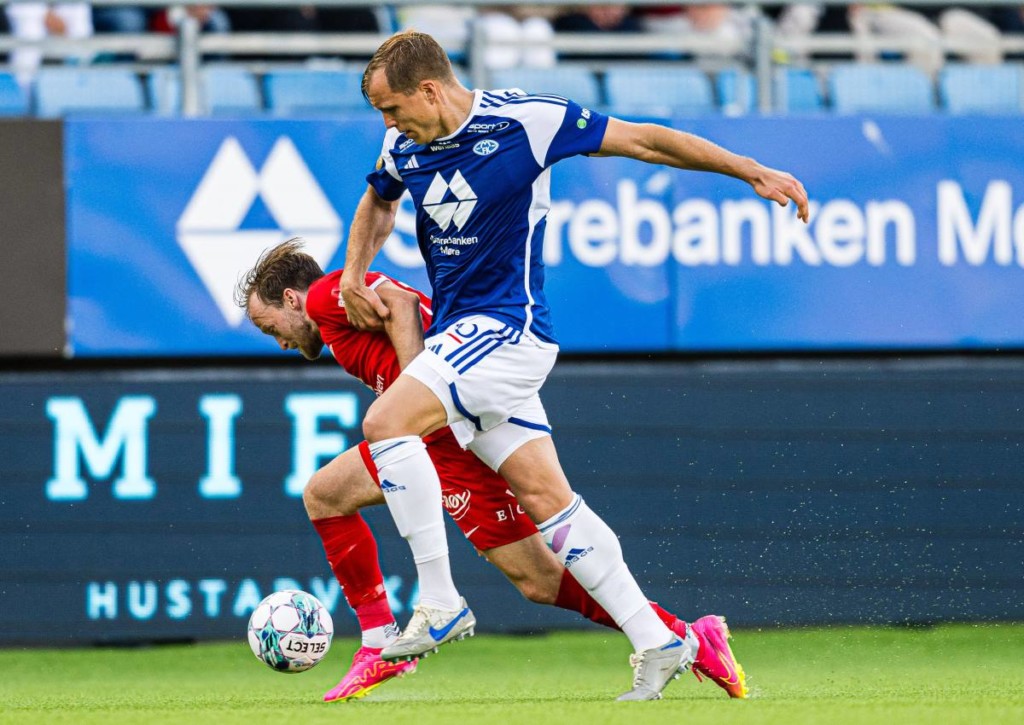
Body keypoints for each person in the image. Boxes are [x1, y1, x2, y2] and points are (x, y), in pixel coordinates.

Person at [341, 29, 807, 701]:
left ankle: (440, 600)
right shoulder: (402, 145)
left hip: (506, 328)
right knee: (549, 501)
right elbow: (379, 199)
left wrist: (749, 169)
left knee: (387, 423)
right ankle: (659, 637)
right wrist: (355, 270)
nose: (386, 124)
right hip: (463, 338)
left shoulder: (527, 122)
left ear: (430, 90)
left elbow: (646, 140)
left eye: (391, 108)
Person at [235, 239, 748, 701]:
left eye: (268, 326)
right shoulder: (333, 316)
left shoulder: (328, 294)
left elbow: (403, 304)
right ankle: (378, 643)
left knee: (541, 577)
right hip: (431, 430)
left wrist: (419, 391)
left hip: (447, 433)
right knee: (326, 495)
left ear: (291, 300)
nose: (276, 340)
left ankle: (681, 636)